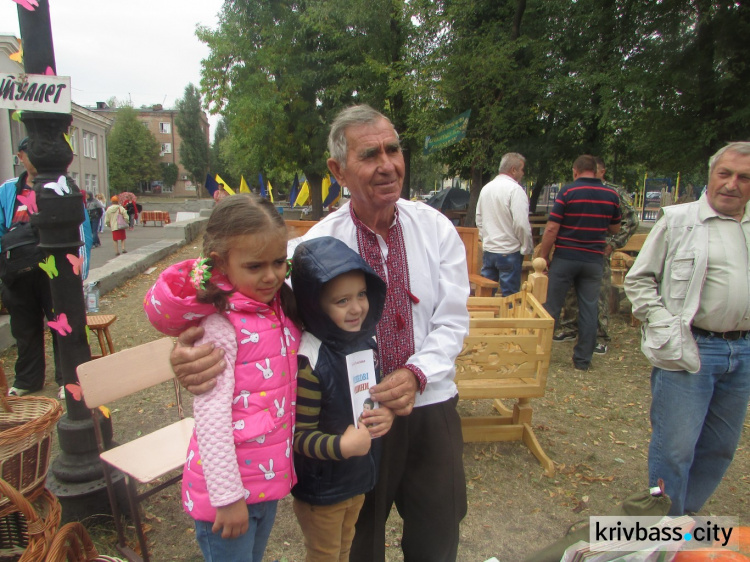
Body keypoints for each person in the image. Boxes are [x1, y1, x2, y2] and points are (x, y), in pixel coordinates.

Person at [167, 104, 470, 562]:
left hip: (429, 403)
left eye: (393, 150)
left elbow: (452, 320)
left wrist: (416, 374)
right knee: (358, 541)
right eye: (370, 154)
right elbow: (249, 314)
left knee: (438, 530)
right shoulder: (308, 250)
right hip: (352, 416)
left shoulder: (437, 228)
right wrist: (185, 350)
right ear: (338, 170)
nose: (387, 164)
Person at [143, 193, 301, 561]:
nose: (271, 275)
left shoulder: (275, 310)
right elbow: (212, 421)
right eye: (255, 266)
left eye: (279, 262)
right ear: (220, 264)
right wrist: (228, 499)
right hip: (228, 495)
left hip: (264, 483)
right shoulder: (221, 327)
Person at [624, 142, 750, 516]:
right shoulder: (677, 221)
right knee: (675, 447)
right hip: (690, 348)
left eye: (744, 177)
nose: (732, 184)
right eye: (724, 174)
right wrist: (665, 324)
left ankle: (681, 519)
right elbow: (639, 280)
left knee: (720, 446)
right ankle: (662, 525)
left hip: (741, 351)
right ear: (710, 176)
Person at [290, 236, 395, 561]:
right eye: (341, 301)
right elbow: (299, 438)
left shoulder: (364, 343)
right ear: (315, 306)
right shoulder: (311, 361)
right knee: (324, 554)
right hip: (322, 489)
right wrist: (342, 447)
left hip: (356, 477)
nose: (357, 308)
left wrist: (382, 413)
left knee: (344, 549)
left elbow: (369, 400)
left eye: (362, 294)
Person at [0, 137, 91, 399]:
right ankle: (27, 379)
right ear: (21, 157)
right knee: (24, 327)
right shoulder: (8, 190)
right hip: (17, 273)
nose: (38, 158)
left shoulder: (63, 186)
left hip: (54, 270)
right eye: (32, 153)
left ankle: (66, 378)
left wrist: (78, 270)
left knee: (61, 323)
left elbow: (79, 226)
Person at [540, 154, 621, 371]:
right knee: (589, 308)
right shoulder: (611, 194)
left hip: (565, 257)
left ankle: (540, 355)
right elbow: (615, 228)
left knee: (552, 307)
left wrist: (544, 255)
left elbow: (551, 228)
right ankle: (583, 360)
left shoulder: (568, 191)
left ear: (575, 171)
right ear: (595, 170)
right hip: (593, 259)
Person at [553, 156, 639, 354]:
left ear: (602, 171)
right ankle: (570, 327)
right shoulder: (576, 189)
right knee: (571, 294)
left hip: (597, 251)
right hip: (575, 252)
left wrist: (613, 244)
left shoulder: (612, 192)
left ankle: (599, 336)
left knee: (596, 297)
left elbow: (630, 222)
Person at [475, 152, 533, 296]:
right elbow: (521, 224)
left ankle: (485, 318)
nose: (523, 173)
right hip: (509, 250)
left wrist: (486, 239)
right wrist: (526, 247)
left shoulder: (486, 189)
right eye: (521, 169)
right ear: (513, 170)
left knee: (486, 295)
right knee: (510, 298)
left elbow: (479, 220)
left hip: (489, 250)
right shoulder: (515, 190)